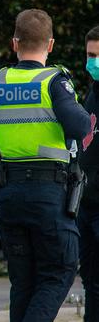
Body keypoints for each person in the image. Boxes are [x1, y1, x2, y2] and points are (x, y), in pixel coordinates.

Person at [0, 9, 90, 321]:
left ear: (14, 43)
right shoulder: (54, 81)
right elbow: (79, 126)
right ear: (50, 45)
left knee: (23, 281)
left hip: (9, 194)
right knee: (57, 272)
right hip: (47, 194)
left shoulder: (0, 80)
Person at [78, 25, 99, 322]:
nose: (93, 62)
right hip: (87, 203)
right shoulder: (91, 96)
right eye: (91, 55)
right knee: (91, 284)